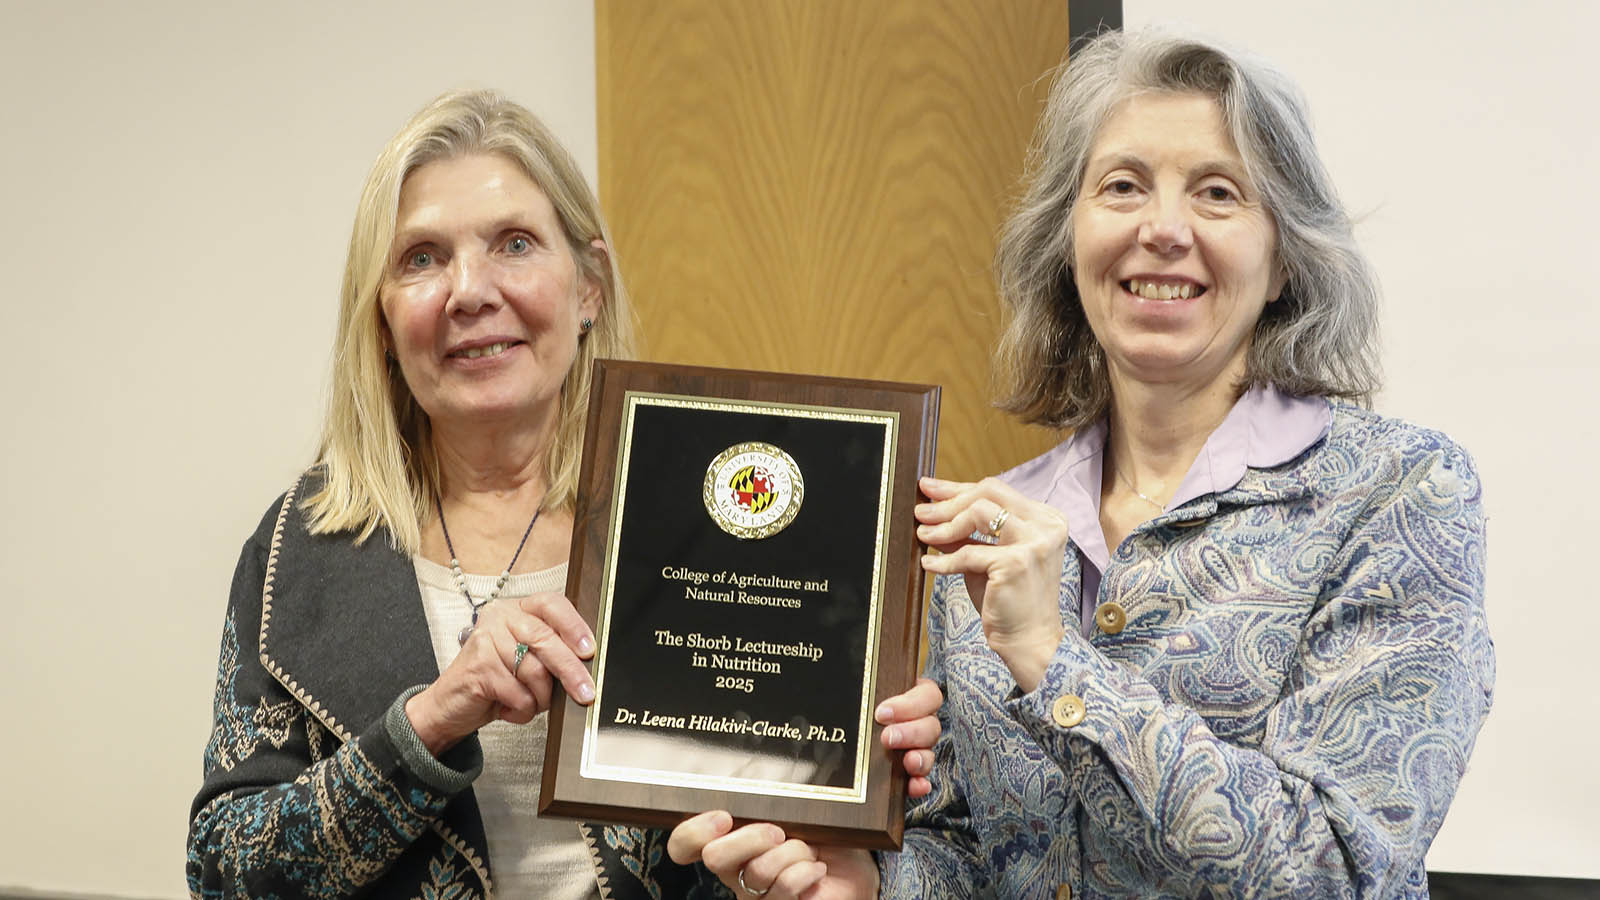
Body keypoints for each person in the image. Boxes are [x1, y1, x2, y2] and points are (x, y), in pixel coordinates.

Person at [669, 27, 1493, 899]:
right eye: (1122, 186)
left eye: (1216, 193)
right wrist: (870, 880)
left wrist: (1052, 659)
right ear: (1069, 243)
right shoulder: (988, 527)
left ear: (1285, 258)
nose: (1162, 229)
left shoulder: (1400, 493)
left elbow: (1335, 869)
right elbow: (981, 855)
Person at [186, 89, 942, 898]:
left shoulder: (715, 524)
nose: (469, 291)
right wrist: (434, 719)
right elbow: (224, 871)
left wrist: (854, 821)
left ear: (589, 289)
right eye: (422, 258)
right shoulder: (302, 546)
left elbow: (831, 838)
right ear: (382, 318)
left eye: (513, 244)